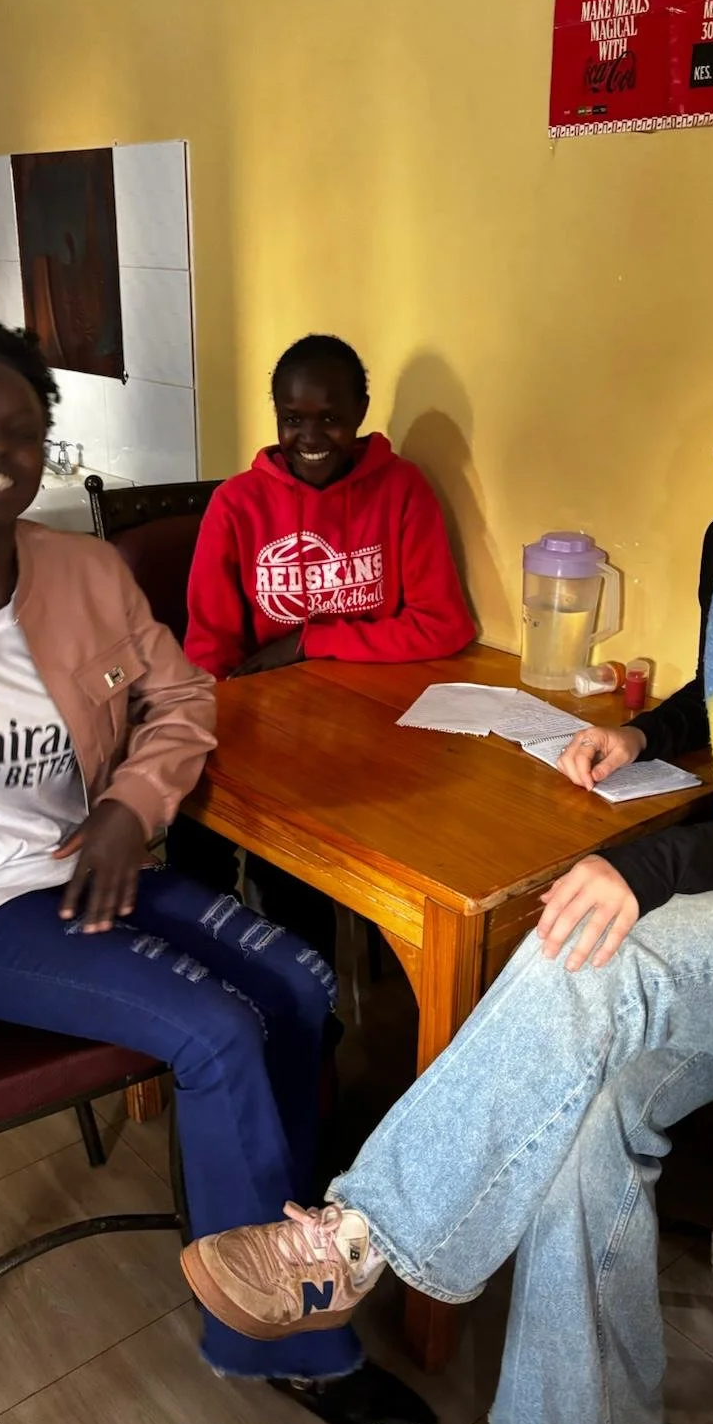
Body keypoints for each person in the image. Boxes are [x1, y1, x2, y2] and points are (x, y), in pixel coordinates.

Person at [177, 318, 713, 1424]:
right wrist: (644, 734)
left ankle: (359, 1233)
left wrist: (652, 867)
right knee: (585, 1118)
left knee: (603, 943)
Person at [0, 301, 434, 1424]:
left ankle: (273, 1227)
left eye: (22, 427)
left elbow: (185, 696)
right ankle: (288, 1343)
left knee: (301, 983)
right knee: (217, 1028)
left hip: (81, 864)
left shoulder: (84, 574)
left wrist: (129, 805)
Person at [174, 334, 475, 957]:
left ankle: (311, 989)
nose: (310, 437)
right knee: (195, 829)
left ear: (360, 412)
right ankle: (201, 966)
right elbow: (209, 650)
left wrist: (310, 641)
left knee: (304, 875)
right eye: (293, 419)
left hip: (371, 731)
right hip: (261, 728)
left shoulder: (401, 489)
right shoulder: (237, 504)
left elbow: (444, 626)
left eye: (330, 418)